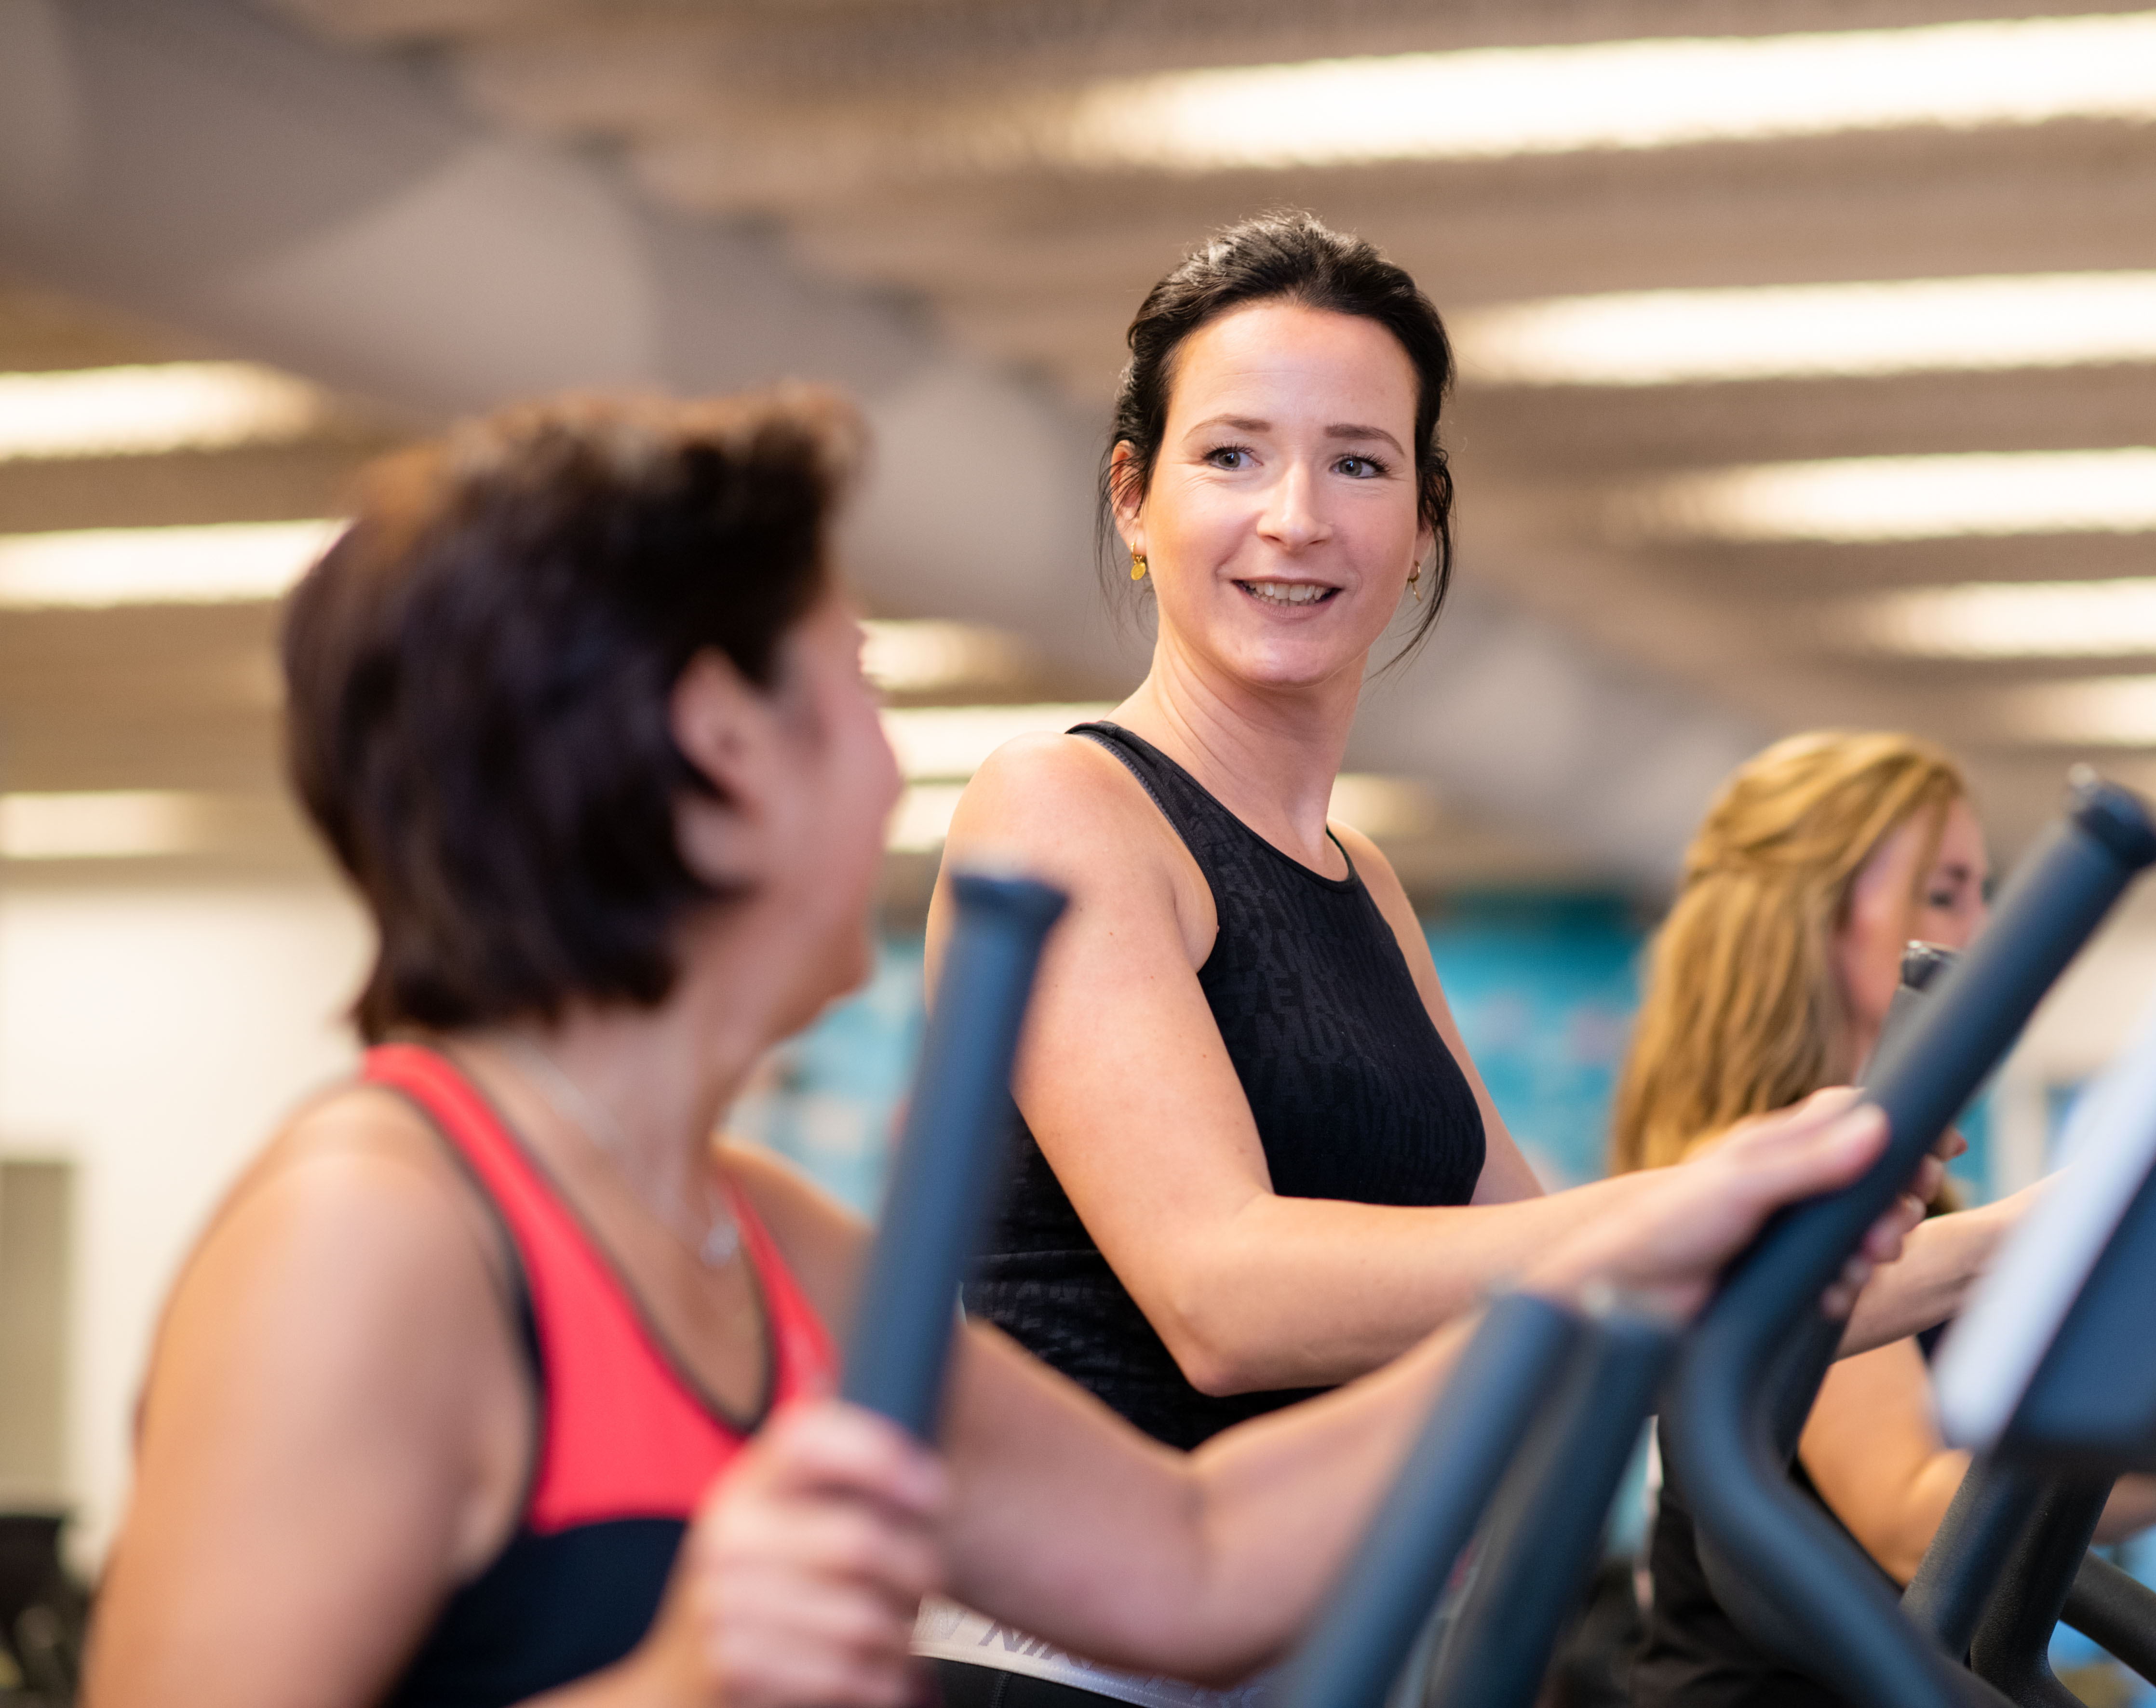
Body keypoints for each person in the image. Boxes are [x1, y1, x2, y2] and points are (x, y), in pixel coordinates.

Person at [81, 389, 1915, 1708]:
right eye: (859, 685)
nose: (896, 767)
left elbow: (1192, 1561)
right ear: (726, 747)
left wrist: (1637, 1265)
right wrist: (687, 1680)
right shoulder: (378, 1232)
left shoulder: (757, 1239)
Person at [932, 210, 2032, 1704]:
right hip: (1058, 1666)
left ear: (1423, 520)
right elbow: (1220, 1296)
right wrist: (1689, 1208)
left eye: (1360, 463)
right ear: (1133, 497)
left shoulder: (1361, 884)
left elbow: (1603, 1300)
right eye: (1233, 454)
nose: (1297, 516)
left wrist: (2068, 1227)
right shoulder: (1064, 805)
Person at [1611, 730, 2156, 1708]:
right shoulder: (1779, 1178)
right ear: (1814, 922)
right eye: (1944, 891)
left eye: (1980, 886)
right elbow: (1914, 1515)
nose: (1985, 923)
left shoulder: (1903, 1185)